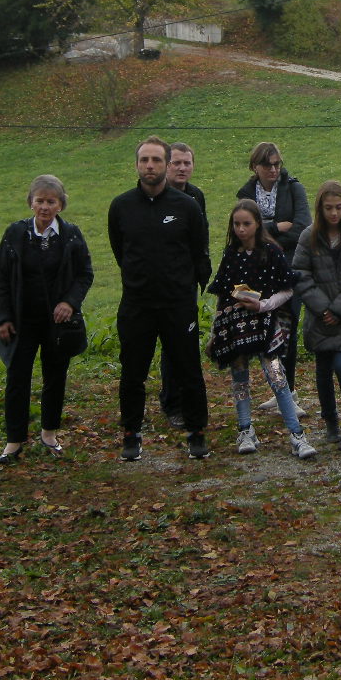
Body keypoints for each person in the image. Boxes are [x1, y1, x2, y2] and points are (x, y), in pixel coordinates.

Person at [107, 136, 212, 462]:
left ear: (166, 165)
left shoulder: (187, 206)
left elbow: (199, 251)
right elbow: (120, 250)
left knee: (188, 370)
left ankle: (196, 433)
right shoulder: (121, 206)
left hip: (178, 304)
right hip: (137, 304)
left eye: (155, 160)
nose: (149, 166)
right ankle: (131, 435)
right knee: (132, 373)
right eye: (144, 160)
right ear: (137, 165)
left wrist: (187, 287)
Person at [0, 175, 95, 464]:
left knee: (55, 376)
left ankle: (49, 434)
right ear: (31, 202)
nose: (45, 207)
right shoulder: (15, 233)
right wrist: (3, 317)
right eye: (40, 201)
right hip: (22, 321)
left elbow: (84, 274)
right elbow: (1, 278)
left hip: (58, 324)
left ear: (61, 205)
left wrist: (69, 302)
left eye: (51, 201)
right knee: (17, 378)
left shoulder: (71, 235)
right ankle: (14, 441)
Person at [208, 200, 316, 459]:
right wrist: (216, 330)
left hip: (266, 323)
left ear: (257, 224)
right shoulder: (231, 254)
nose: (241, 229)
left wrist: (263, 305)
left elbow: (287, 288)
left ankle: (297, 434)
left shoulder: (271, 252)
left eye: (246, 223)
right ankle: (245, 429)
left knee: (277, 377)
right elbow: (223, 292)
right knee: (240, 377)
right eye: (236, 224)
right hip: (236, 325)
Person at [292, 180, 341, 450]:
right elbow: (301, 274)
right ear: (320, 208)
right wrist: (323, 308)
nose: (334, 213)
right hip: (319, 316)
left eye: (338, 207)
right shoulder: (308, 237)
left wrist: (338, 310)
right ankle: (330, 421)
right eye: (329, 208)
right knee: (323, 371)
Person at [238, 142, 310, 392]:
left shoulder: (294, 188)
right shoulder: (246, 194)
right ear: (255, 167)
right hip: (258, 270)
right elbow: (243, 232)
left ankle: (289, 390)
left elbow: (302, 228)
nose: (273, 169)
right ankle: (277, 389)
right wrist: (277, 227)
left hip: (289, 267)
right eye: (267, 165)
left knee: (287, 328)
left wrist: (262, 234)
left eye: (277, 164)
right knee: (267, 330)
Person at [159, 141, 210, 428]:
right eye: (176, 163)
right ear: (166, 165)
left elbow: (201, 236)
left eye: (186, 163)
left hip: (187, 281)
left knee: (185, 343)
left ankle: (189, 401)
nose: (182, 168)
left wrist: (202, 271)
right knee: (169, 345)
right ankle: (171, 402)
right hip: (160, 283)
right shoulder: (157, 196)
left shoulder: (196, 196)